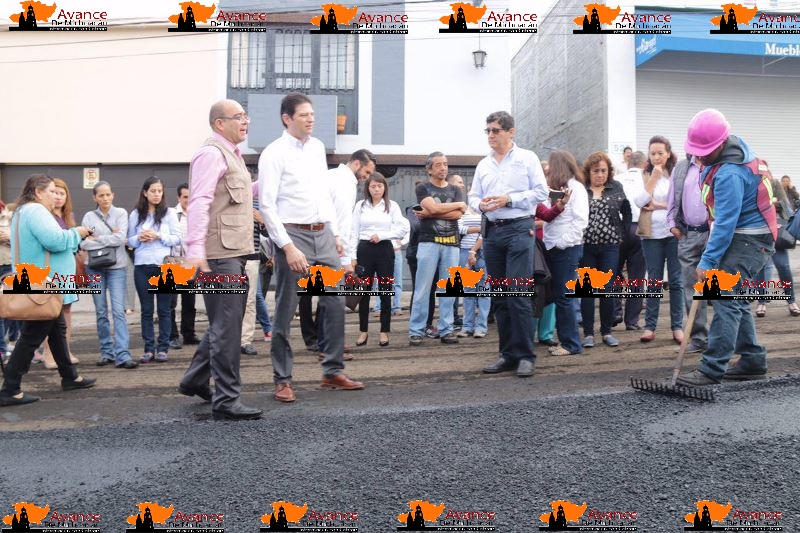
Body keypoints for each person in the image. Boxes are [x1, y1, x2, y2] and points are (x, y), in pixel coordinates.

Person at [259, 92, 365, 404]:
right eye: (304, 114)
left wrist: (334, 232)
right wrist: (287, 246)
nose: (311, 119)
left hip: (323, 234)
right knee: (286, 308)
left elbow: (322, 193)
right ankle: (282, 379)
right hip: (293, 235)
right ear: (287, 118)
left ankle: (332, 371)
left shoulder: (318, 147)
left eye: (312, 114)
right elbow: (267, 205)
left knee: (335, 303)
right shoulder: (273, 153)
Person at [677, 109, 776, 386]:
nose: (698, 157)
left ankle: (711, 368)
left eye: (704, 152)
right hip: (747, 235)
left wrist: (708, 261)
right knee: (735, 298)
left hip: (750, 239)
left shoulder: (730, 173)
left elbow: (725, 223)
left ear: (720, 144)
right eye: (696, 151)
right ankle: (753, 359)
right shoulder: (730, 151)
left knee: (724, 295)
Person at [180, 99, 263, 421]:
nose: (245, 121)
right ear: (219, 123)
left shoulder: (232, 155)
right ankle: (227, 400)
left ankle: (195, 378)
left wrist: (272, 179)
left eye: (246, 116)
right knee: (227, 329)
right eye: (238, 117)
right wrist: (195, 250)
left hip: (232, 253)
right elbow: (199, 201)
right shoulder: (211, 154)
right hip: (218, 255)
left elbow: (237, 195)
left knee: (224, 323)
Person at [0, 174, 96, 407]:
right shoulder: (36, 211)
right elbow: (54, 241)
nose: (55, 195)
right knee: (31, 336)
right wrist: (77, 233)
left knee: (57, 329)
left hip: (40, 282)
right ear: (38, 192)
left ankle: (70, 377)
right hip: (44, 284)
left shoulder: (23, 211)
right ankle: (10, 389)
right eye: (51, 191)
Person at [469, 111, 549, 377]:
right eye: (488, 131)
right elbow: (473, 197)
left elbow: (541, 192)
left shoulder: (527, 158)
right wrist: (480, 205)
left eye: (496, 130)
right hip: (492, 233)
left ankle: (526, 355)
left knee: (518, 293)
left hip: (519, 229)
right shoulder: (483, 164)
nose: (491, 135)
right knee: (500, 296)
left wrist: (509, 199)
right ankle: (508, 354)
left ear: (511, 132)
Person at [408, 152, 465, 346]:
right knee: (422, 289)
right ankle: (416, 330)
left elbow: (458, 215)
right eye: (438, 164)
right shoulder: (423, 187)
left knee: (449, 289)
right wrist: (458, 205)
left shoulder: (455, 189)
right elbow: (433, 208)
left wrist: (432, 213)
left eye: (445, 164)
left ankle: (446, 330)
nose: (443, 168)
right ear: (429, 169)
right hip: (428, 242)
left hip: (452, 244)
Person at [80, 181, 137, 369]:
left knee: (119, 311)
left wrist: (97, 238)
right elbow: (83, 243)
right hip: (94, 268)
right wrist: (109, 238)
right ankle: (106, 353)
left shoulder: (121, 213)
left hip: (117, 268)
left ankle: (123, 355)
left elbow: (120, 239)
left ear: (113, 195)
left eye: (108, 194)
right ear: (94, 197)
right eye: (101, 195)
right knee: (101, 311)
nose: (105, 198)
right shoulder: (89, 216)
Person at [351, 173, 409, 347]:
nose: (376, 189)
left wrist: (382, 235)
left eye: (379, 186)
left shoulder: (392, 206)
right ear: (367, 188)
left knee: (385, 290)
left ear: (385, 187)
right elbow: (353, 232)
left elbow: (401, 229)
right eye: (373, 186)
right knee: (363, 293)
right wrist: (352, 256)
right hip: (364, 250)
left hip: (384, 250)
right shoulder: (360, 206)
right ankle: (363, 331)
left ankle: (384, 331)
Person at [579, 152, 630, 348]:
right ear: (588, 172)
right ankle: (588, 333)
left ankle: (607, 332)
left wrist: (623, 234)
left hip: (610, 247)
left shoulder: (615, 187)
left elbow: (627, 211)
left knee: (607, 290)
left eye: (603, 170)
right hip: (587, 247)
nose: (600, 174)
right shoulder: (582, 189)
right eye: (596, 171)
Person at [636, 136, 684, 344]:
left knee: (676, 281)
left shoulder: (677, 174)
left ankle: (677, 327)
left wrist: (657, 205)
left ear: (668, 154)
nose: (656, 157)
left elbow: (681, 202)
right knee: (654, 280)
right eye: (653, 153)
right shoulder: (645, 174)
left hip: (674, 233)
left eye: (660, 153)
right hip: (651, 235)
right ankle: (650, 326)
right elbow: (639, 201)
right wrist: (653, 178)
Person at [128, 176, 180, 363]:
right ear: (145, 193)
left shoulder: (169, 213)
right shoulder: (136, 214)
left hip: (164, 266)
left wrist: (158, 235)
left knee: (164, 309)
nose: (157, 194)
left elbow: (177, 238)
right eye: (153, 191)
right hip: (142, 266)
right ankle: (149, 349)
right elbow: (129, 241)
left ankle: (163, 348)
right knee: (147, 310)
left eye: (159, 191)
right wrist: (139, 238)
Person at [542, 151, 589, 356]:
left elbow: (581, 221)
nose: (548, 170)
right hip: (553, 247)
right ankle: (565, 341)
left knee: (564, 297)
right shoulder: (554, 189)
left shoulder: (576, 188)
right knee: (559, 297)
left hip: (567, 249)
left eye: (551, 166)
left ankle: (571, 344)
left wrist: (562, 243)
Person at [667, 154, 710, 353]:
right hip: (688, 234)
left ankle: (722, 340)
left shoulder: (717, 163)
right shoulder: (681, 168)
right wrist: (672, 224)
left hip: (714, 233)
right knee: (690, 289)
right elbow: (672, 199)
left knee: (719, 288)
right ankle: (699, 338)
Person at [39, 178, 81, 368]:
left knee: (66, 310)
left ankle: (65, 350)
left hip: (67, 270)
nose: (58, 197)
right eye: (54, 192)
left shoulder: (68, 216)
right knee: (51, 313)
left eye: (62, 193)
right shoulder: (44, 216)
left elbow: (75, 244)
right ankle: (48, 353)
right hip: (51, 271)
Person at [753, 167, 800, 317]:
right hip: (761, 236)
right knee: (761, 269)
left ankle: (791, 301)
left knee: (784, 267)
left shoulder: (774, 184)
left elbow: (788, 209)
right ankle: (761, 302)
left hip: (778, 237)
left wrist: (775, 205)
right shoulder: (753, 186)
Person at [449, 175, 489, 339]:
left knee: (484, 290)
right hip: (464, 252)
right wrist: (479, 228)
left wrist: (474, 250)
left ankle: (481, 327)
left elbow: (487, 231)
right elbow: (458, 228)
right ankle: (467, 326)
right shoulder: (461, 208)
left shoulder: (486, 209)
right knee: (468, 291)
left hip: (482, 251)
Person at [613, 151, 648, 330]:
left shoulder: (616, 179)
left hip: (617, 228)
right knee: (637, 275)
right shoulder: (647, 179)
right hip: (639, 227)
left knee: (614, 271)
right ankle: (632, 321)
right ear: (644, 164)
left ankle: (615, 311)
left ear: (628, 163)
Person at [168, 183, 200, 350]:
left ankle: (189, 334)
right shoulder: (172, 214)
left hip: (190, 264)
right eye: (185, 197)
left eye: (191, 196)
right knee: (171, 303)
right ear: (179, 198)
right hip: (173, 263)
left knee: (189, 302)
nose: (189, 200)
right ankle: (172, 336)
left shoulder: (197, 215)